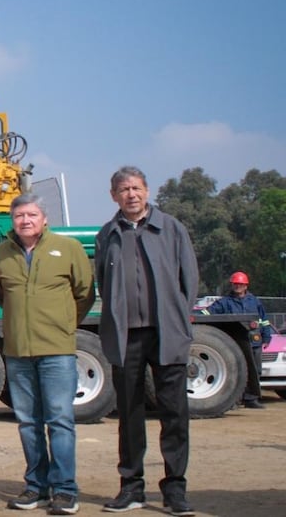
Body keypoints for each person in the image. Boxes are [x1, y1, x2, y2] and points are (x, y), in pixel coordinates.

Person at [95, 166, 199, 517]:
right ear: (114, 196)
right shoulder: (108, 234)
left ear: (147, 191)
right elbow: (102, 281)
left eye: (136, 188)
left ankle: (175, 490)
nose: (131, 195)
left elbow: (189, 280)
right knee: (129, 414)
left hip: (166, 332)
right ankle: (131, 487)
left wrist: (179, 320)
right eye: (124, 189)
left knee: (174, 413)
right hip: (127, 337)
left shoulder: (171, 228)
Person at [0, 193, 94, 515]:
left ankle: (65, 491)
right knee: (27, 422)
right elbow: (1, 297)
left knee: (60, 420)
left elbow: (85, 293)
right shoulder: (1, 254)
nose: (25, 221)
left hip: (57, 352)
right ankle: (35, 487)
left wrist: (64, 325)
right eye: (19, 216)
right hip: (18, 352)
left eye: (31, 215)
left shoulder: (68, 249)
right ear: (12, 221)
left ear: (44, 219)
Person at [200, 271, 273, 409]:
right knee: (236, 371)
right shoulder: (224, 302)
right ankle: (234, 400)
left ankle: (251, 399)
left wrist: (267, 337)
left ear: (246, 286)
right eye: (235, 284)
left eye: (240, 284)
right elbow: (206, 313)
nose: (237, 286)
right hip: (235, 344)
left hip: (254, 341)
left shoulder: (255, 302)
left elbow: (264, 321)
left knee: (255, 370)